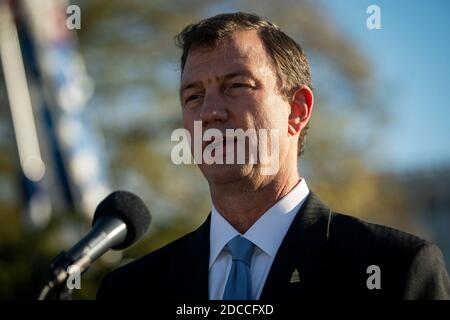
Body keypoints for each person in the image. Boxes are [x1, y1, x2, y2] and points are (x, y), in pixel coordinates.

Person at [97, 12, 450, 300]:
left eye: (236, 85)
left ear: (297, 110)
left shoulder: (394, 270)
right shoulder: (131, 291)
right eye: (193, 96)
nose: (210, 112)